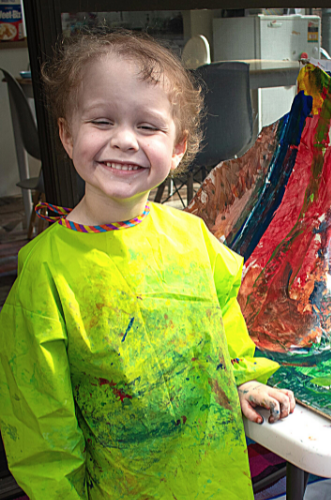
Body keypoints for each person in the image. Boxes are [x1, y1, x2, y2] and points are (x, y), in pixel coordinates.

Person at [0, 31, 295, 500]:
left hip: (210, 471)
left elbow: (221, 309)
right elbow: (40, 423)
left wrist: (240, 377)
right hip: (121, 485)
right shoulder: (46, 272)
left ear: (178, 147)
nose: (123, 140)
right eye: (101, 120)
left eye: (147, 126)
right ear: (66, 133)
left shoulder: (191, 235)